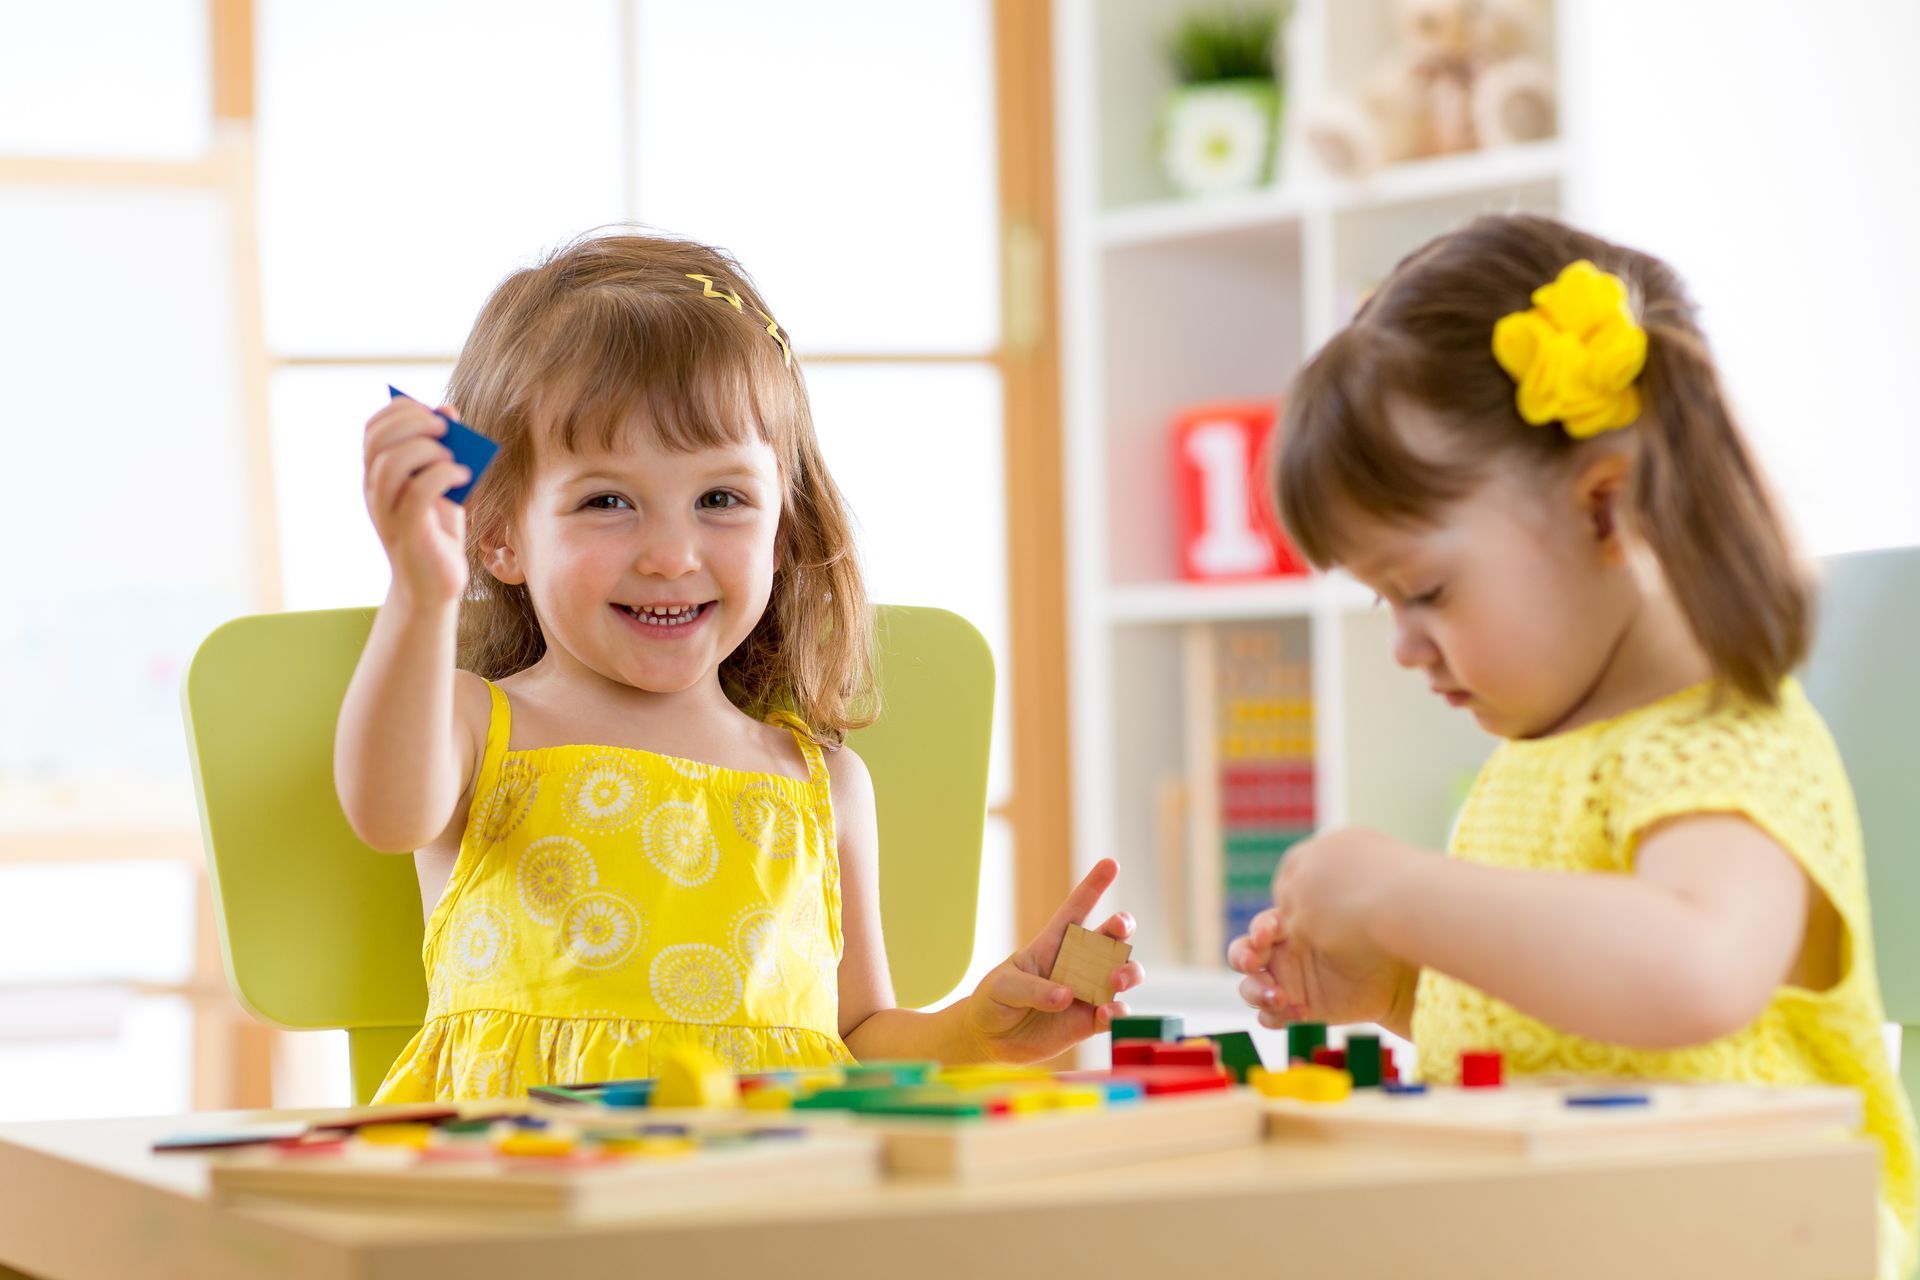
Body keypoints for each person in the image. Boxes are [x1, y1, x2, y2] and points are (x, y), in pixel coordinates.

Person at [1229, 213, 1915, 1275]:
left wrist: (1402, 893)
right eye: (1383, 604)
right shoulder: (1535, 753)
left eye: (1426, 589)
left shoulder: (1721, 739)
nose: (1405, 644)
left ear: (1605, 508)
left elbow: (1694, 971)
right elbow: (1578, 1025)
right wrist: (1397, 994)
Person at [335, 230, 1141, 1103]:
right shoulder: (471, 724)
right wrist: (419, 595)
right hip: (527, 1197)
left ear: (782, 528)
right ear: (499, 535)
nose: (672, 554)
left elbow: (857, 1037)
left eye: (720, 499)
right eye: (608, 501)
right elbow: (386, 812)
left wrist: (977, 1029)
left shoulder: (821, 781)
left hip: (762, 1197)